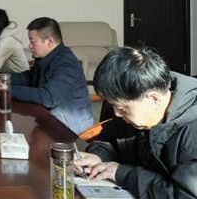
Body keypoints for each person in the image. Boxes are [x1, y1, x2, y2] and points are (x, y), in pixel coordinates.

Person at [74, 47, 197, 198]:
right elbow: (109, 139)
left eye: (121, 107)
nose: (116, 114)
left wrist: (122, 173)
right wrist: (99, 157)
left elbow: (184, 195)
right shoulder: (137, 108)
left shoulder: (192, 130)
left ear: (153, 99)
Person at [0, 17, 93, 134]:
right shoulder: (47, 57)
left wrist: (7, 90)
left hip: (71, 125)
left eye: (33, 41)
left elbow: (48, 98)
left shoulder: (66, 64)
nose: (29, 46)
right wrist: (2, 77)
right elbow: (28, 78)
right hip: (54, 115)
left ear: (49, 42)